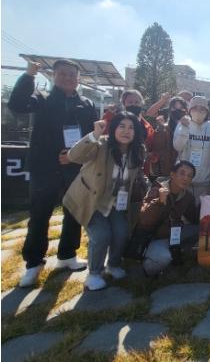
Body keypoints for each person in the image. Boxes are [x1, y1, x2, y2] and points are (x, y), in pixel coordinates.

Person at [9, 60, 97, 287]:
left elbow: (90, 137)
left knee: (73, 213)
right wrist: (28, 76)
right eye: (62, 73)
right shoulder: (41, 98)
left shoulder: (86, 104)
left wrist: (75, 155)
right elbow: (17, 104)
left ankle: (67, 255)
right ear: (54, 75)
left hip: (74, 166)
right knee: (39, 215)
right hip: (44, 167)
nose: (67, 78)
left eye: (72, 74)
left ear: (78, 78)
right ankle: (33, 263)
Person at [63, 113, 145, 290]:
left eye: (131, 127)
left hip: (116, 202)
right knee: (101, 235)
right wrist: (94, 135)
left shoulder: (138, 151)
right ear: (113, 128)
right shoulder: (100, 144)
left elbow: (136, 177)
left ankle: (113, 265)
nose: (126, 131)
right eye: (122, 126)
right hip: (91, 200)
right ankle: (94, 273)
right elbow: (74, 156)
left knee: (122, 233)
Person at [135, 161, 199, 276]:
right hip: (155, 237)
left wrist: (207, 205)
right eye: (182, 173)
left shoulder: (187, 196)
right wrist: (159, 201)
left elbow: (195, 218)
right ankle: (146, 269)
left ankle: (176, 251)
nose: (185, 178)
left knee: (201, 230)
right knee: (163, 258)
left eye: (190, 176)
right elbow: (144, 219)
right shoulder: (157, 190)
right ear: (172, 174)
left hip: (173, 234)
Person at [173, 96, 210, 203]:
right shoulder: (182, 124)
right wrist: (184, 128)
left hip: (204, 181)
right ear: (190, 110)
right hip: (184, 180)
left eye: (202, 108)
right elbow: (177, 147)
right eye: (195, 108)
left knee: (201, 211)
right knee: (184, 211)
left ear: (207, 112)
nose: (198, 111)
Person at [148, 97, 187, 180]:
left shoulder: (189, 126)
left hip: (183, 170)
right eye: (174, 108)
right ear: (169, 109)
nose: (177, 110)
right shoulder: (163, 127)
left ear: (186, 110)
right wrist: (163, 100)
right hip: (165, 171)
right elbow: (157, 148)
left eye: (181, 108)